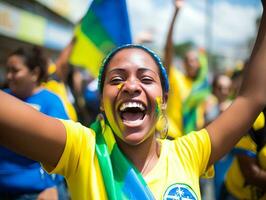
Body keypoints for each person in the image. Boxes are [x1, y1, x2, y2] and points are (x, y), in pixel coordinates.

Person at [0, 2, 266, 198]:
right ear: (102, 101)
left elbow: (252, 97)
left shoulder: (189, 154)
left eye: (146, 79)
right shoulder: (81, 150)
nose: (130, 86)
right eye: (116, 79)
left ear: (163, 99)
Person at [0, 46, 69, 199]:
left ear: (34, 73)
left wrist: (53, 185)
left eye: (15, 70)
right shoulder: (3, 98)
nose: (9, 76)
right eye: (8, 70)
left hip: (35, 193)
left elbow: (65, 149)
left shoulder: (51, 102)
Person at [164, 0, 210, 138]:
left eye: (194, 60)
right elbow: (168, 50)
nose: (191, 63)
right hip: (170, 137)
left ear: (200, 64)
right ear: (183, 64)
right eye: (187, 60)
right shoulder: (176, 77)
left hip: (190, 140)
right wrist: (175, 13)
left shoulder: (203, 88)